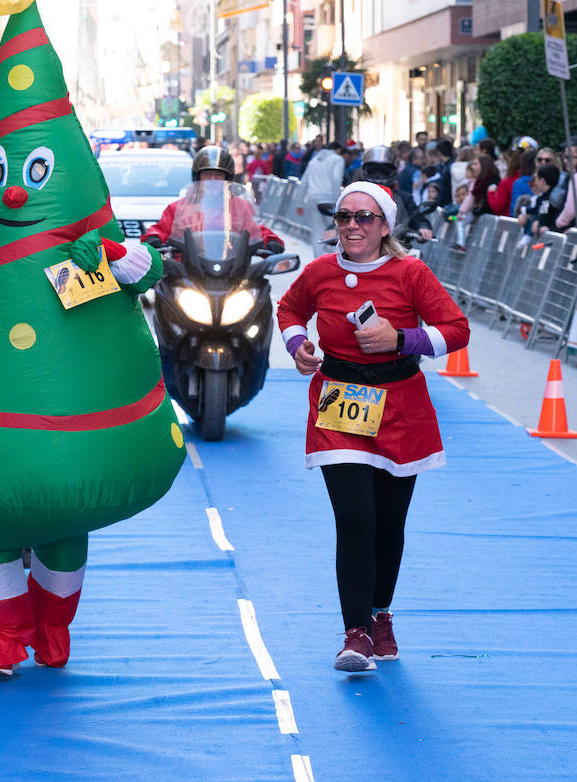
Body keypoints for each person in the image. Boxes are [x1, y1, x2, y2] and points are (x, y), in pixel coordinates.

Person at [276, 180, 469, 672]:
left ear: (385, 227)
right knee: (356, 518)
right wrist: (298, 344)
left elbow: (456, 329)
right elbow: (290, 308)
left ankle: (381, 613)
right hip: (339, 405)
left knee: (388, 524)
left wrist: (402, 339)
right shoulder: (320, 272)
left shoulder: (411, 272)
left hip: (401, 408)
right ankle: (356, 631)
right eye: (344, 217)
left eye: (365, 217)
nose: (353, 226)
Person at [141, 146, 284, 250]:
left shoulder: (241, 207)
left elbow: (258, 230)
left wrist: (271, 242)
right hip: (186, 271)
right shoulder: (177, 208)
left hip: (233, 270)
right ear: (198, 177)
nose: (213, 180)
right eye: (208, 174)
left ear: (228, 179)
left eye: (219, 175)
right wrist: (154, 238)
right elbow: (159, 230)